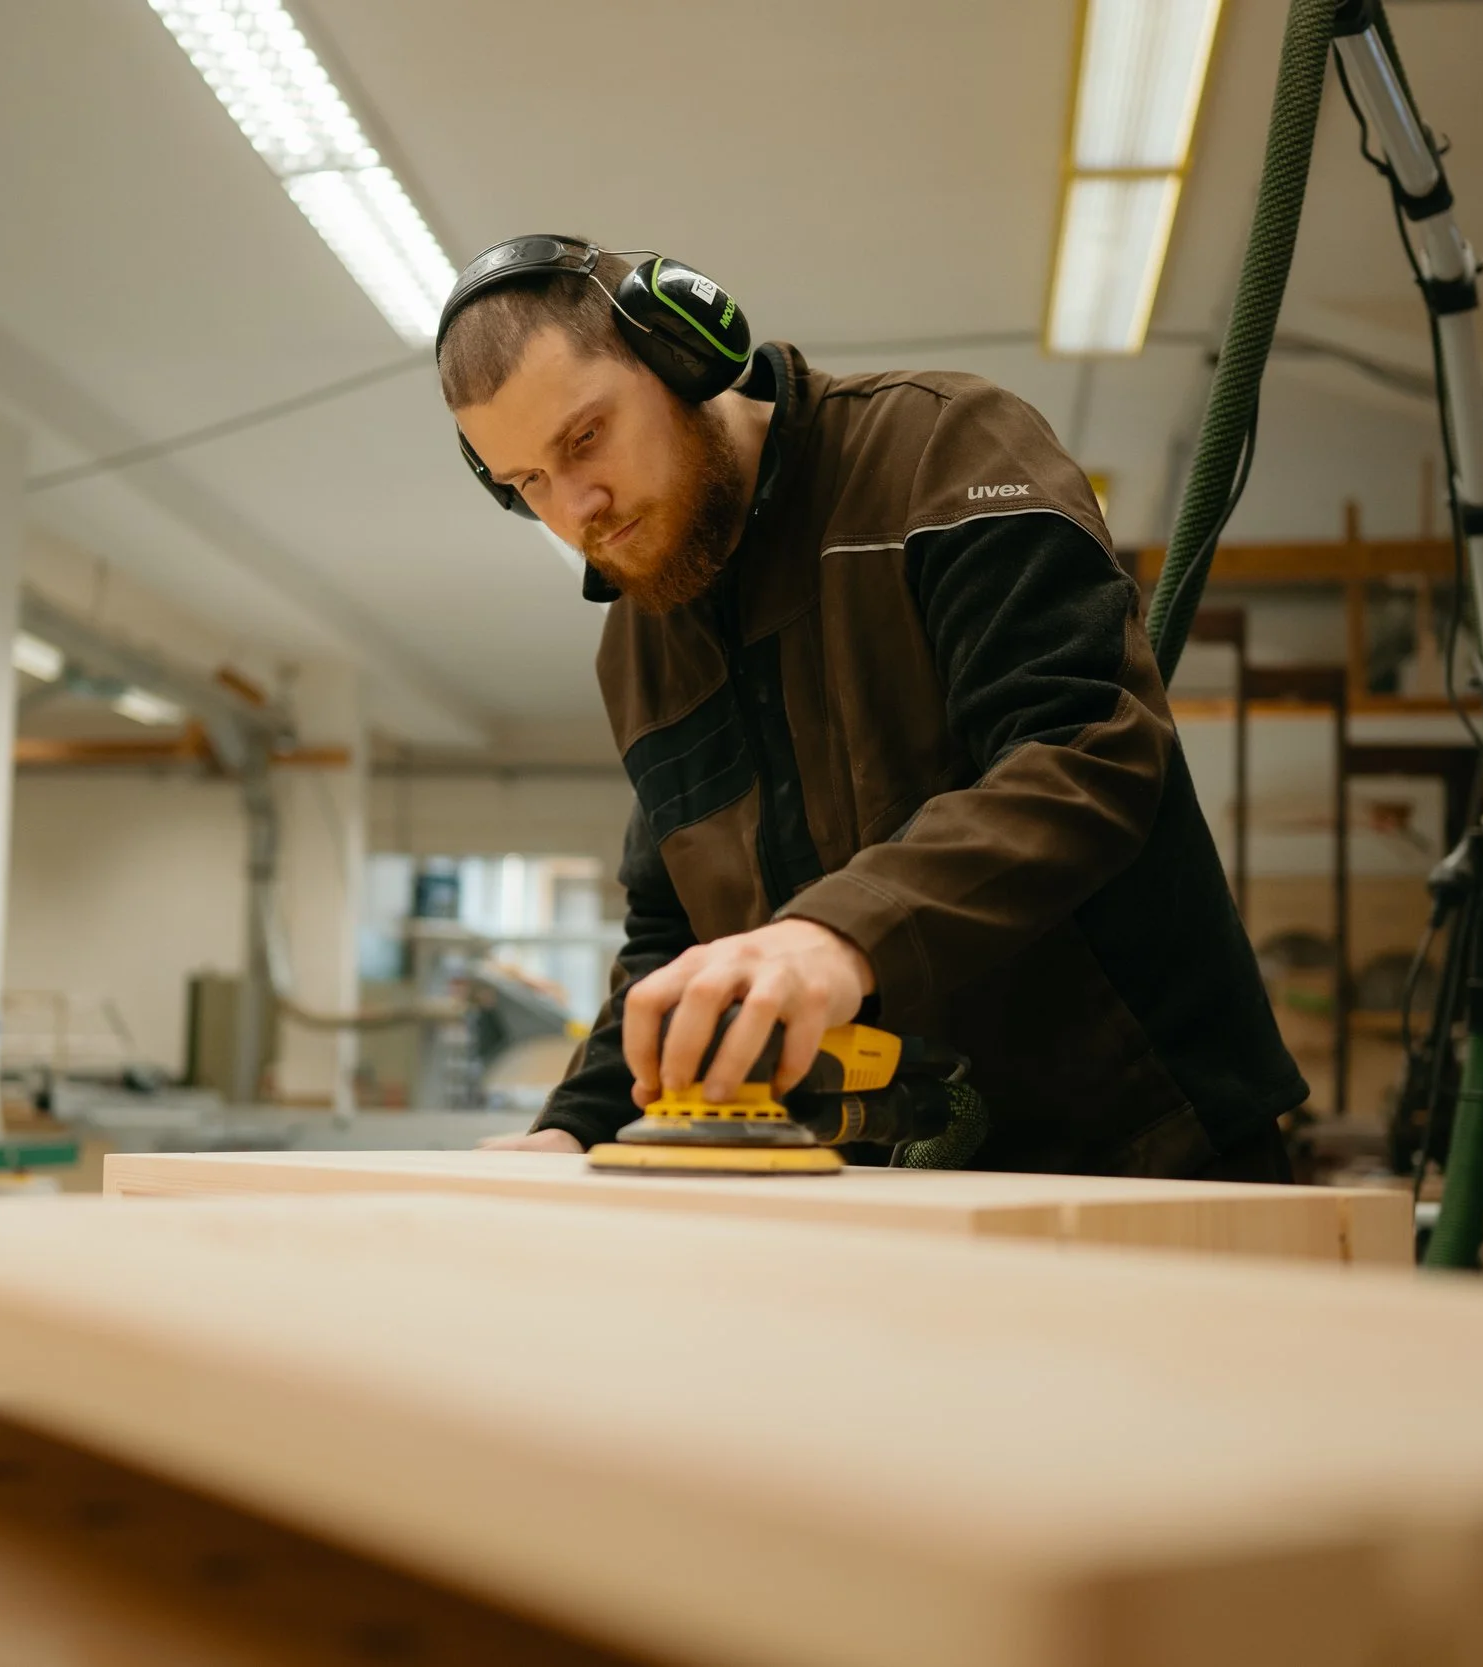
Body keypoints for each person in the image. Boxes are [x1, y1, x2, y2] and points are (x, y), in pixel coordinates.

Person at [437, 236, 1305, 1178]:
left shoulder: (943, 450)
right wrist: (576, 1123)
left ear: (683, 351)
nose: (577, 509)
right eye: (529, 485)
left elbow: (1084, 751)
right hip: (882, 1179)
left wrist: (836, 934)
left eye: (584, 437)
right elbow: (674, 936)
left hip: (1147, 1149)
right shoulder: (642, 642)